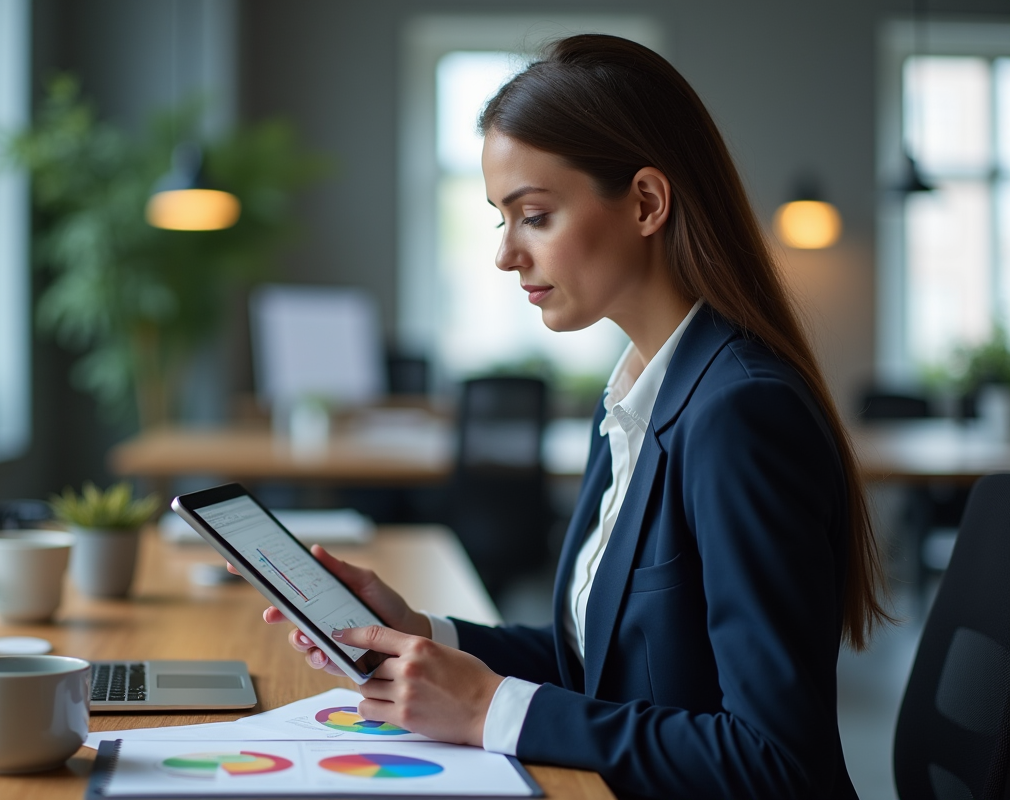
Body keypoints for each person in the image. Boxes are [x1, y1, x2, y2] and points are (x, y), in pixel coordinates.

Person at [259, 34, 889, 800]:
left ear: (648, 203)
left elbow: (775, 764)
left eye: (535, 215)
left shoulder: (739, 412)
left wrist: (494, 710)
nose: (506, 256)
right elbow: (598, 660)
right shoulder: (635, 392)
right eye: (501, 220)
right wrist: (426, 635)